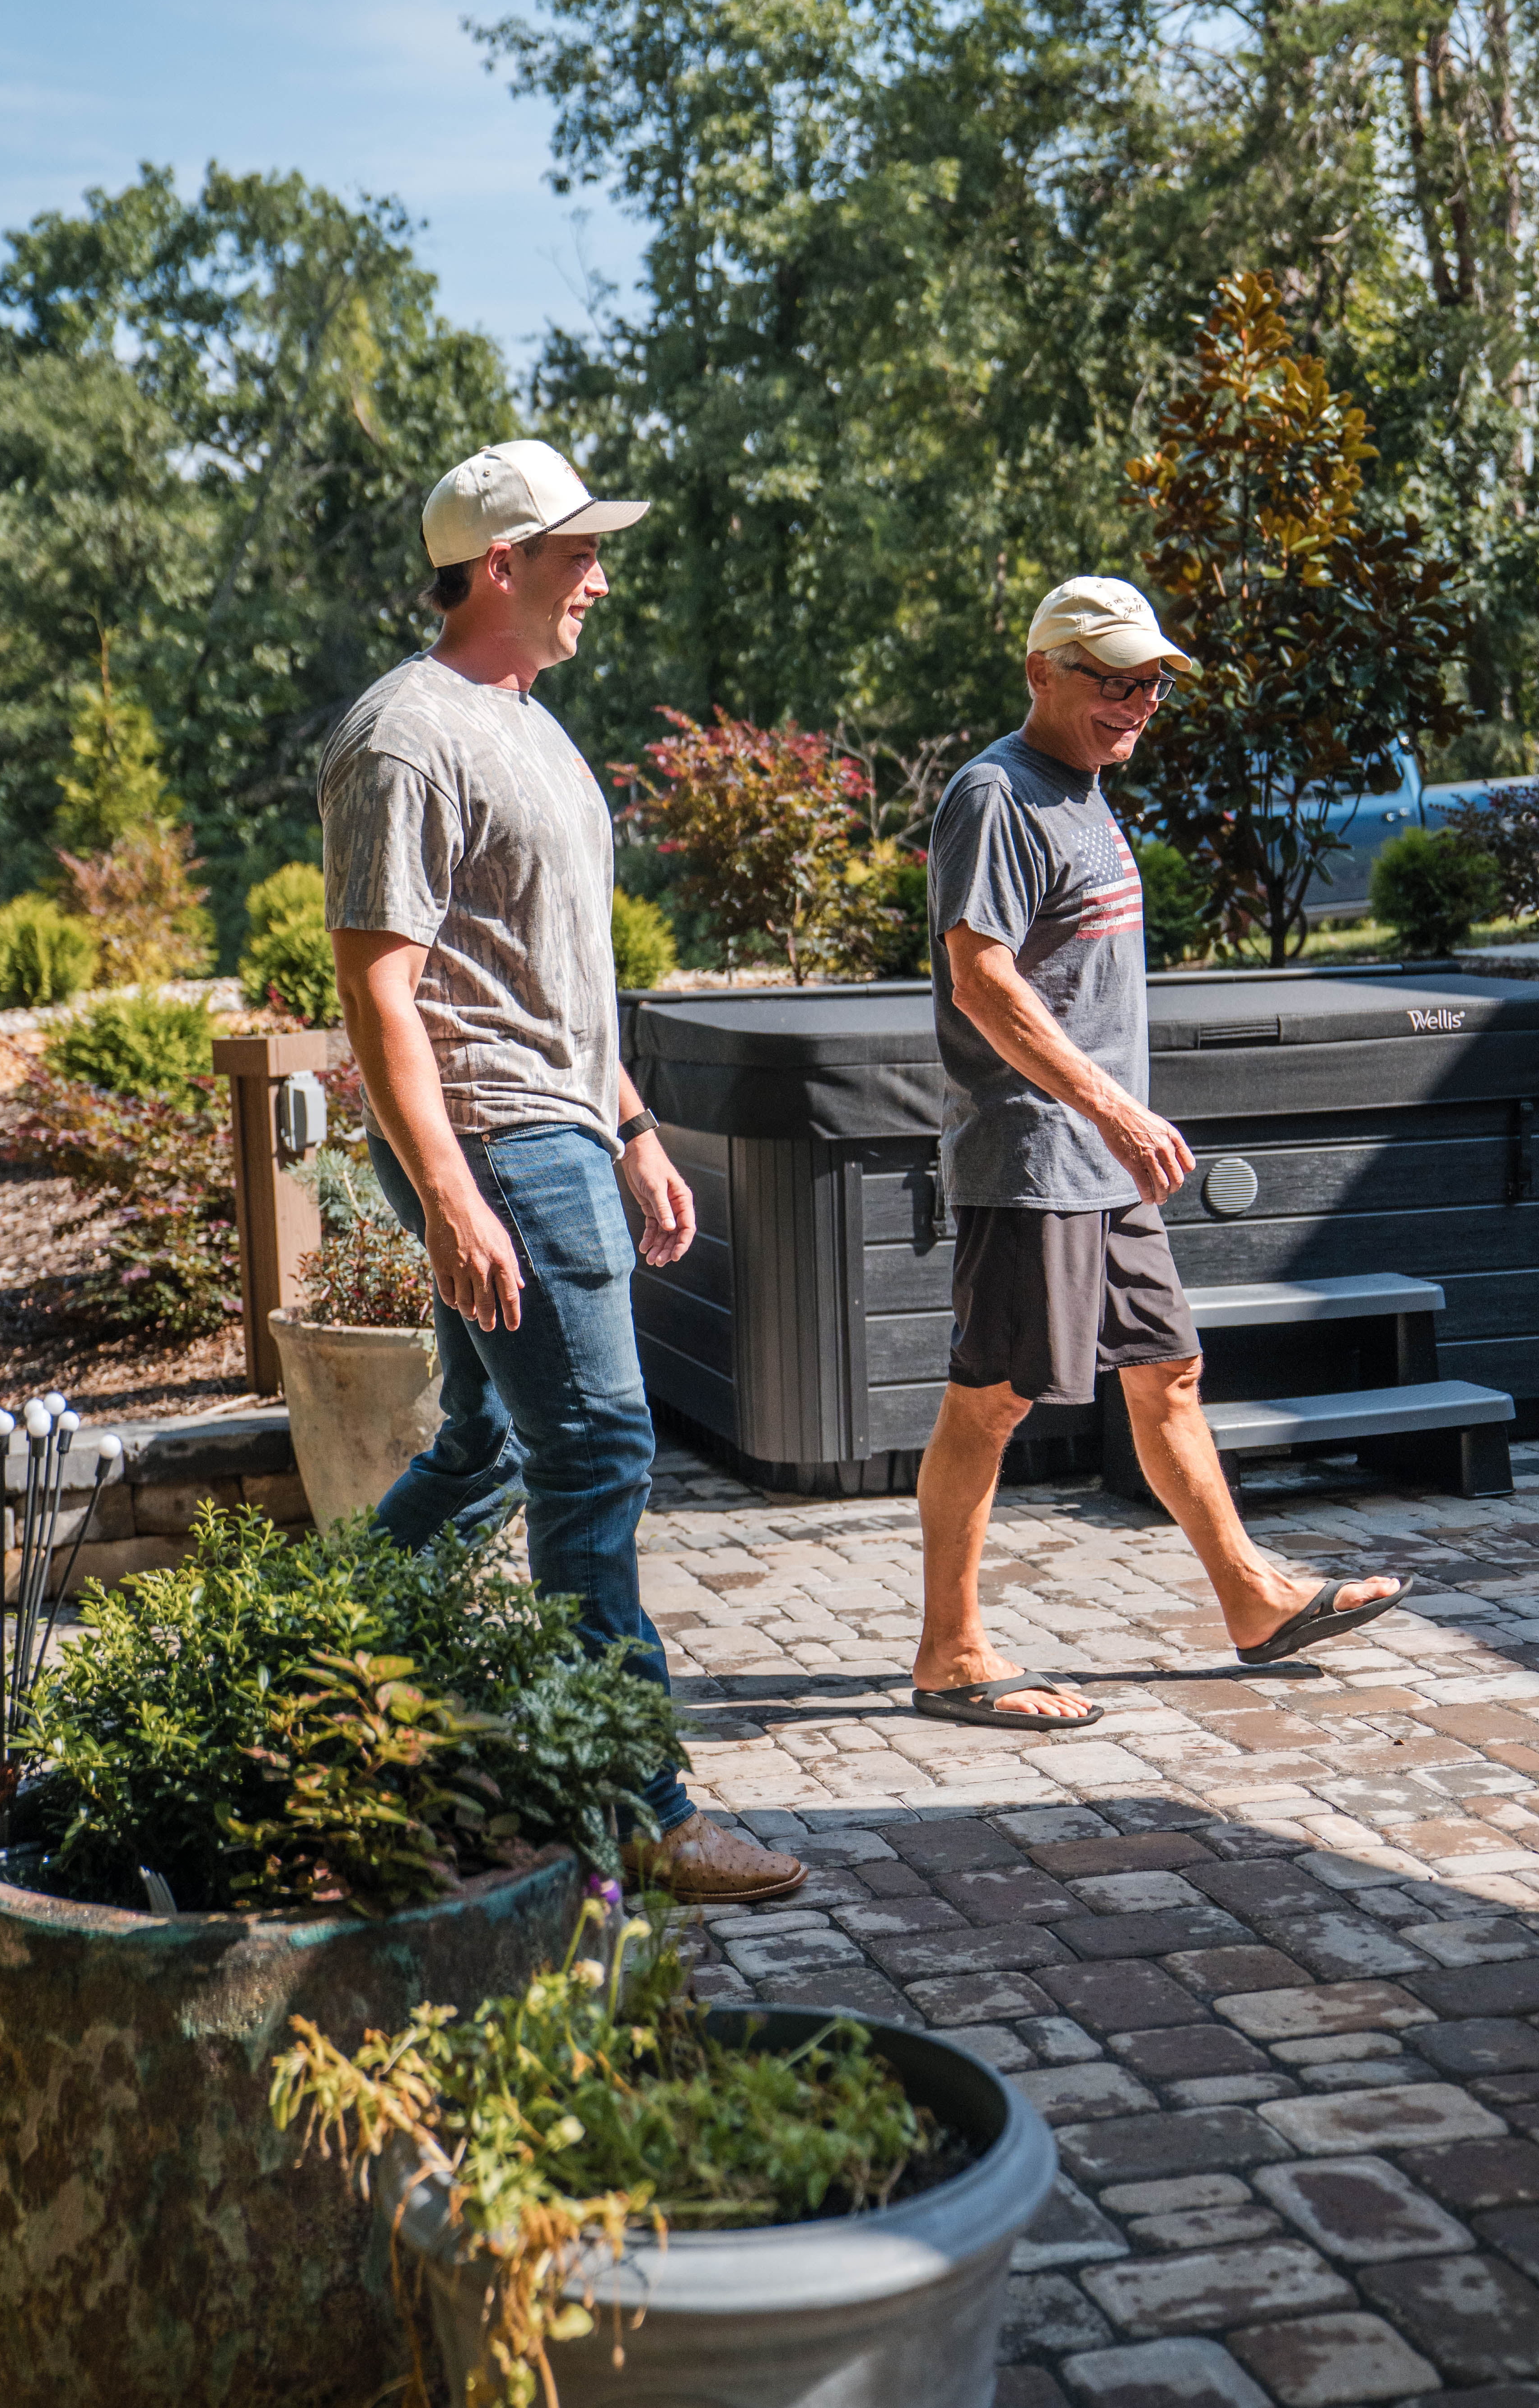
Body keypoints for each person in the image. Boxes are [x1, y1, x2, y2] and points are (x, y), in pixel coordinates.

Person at [318, 438, 805, 1899]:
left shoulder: (530, 722)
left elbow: (558, 979)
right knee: (597, 1449)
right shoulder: (406, 735)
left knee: (488, 1443)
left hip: (561, 1128)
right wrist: (454, 1194)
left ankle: (321, 1662)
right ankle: (640, 1803)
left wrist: (636, 1128)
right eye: (578, 552)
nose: (600, 577)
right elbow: (382, 997)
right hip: (500, 1143)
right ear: (498, 564)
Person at [913, 575, 1409, 1727]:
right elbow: (980, 977)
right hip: (1036, 1156)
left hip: (1101, 1159)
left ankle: (1254, 1599)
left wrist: (1117, 1128)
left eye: (1151, 685)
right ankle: (952, 1652)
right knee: (990, 1399)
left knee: (1169, 1372)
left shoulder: (1084, 792)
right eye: (1114, 680)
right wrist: (1115, 1110)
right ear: (1042, 671)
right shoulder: (997, 794)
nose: (1138, 702)